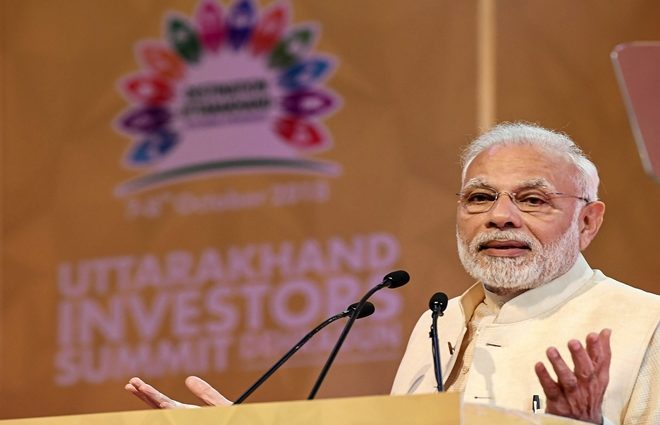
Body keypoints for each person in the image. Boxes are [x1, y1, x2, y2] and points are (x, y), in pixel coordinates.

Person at [126, 123, 659, 424]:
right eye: (479, 197)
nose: (500, 216)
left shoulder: (646, 323)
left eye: (532, 199)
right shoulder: (440, 323)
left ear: (588, 221)